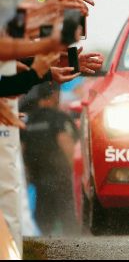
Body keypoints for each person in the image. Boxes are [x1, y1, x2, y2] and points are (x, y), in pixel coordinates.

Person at [20, 82, 78, 235]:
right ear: (54, 95)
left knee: (43, 223)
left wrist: (26, 176)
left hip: (40, 182)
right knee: (68, 221)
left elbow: (21, 149)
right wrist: (75, 173)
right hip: (62, 180)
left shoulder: (29, 121)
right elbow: (66, 143)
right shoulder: (59, 118)